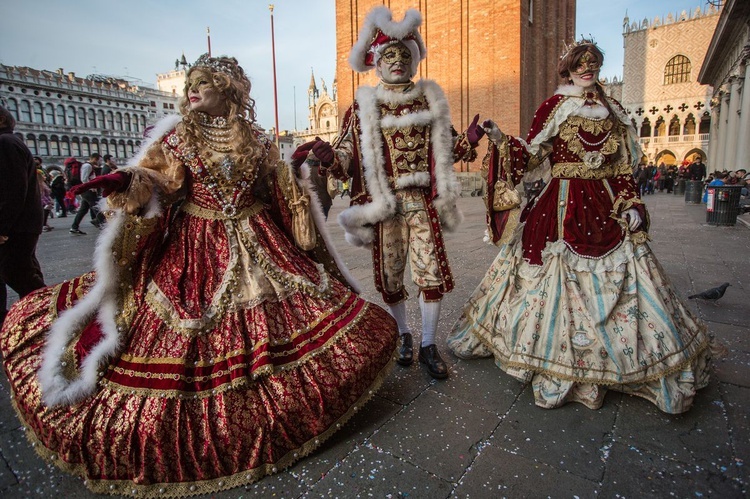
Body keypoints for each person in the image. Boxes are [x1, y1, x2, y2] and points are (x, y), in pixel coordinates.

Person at [0, 54, 397, 495]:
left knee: (303, 312)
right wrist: (125, 181)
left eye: (204, 82)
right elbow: (157, 181)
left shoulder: (256, 139)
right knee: (188, 326)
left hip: (258, 238)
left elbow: (273, 188)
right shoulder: (179, 138)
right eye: (191, 82)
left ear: (227, 90)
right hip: (196, 248)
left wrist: (295, 170)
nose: (193, 89)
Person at [447, 40, 713, 414]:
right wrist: (500, 139)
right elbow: (532, 154)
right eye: (579, 64)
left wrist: (633, 202)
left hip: (606, 207)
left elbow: (622, 168)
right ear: (568, 70)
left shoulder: (614, 111)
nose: (586, 69)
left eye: (592, 64)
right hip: (559, 208)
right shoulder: (553, 108)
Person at [295, 7, 483, 379]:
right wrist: (332, 156)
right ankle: (404, 335)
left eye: (403, 55)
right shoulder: (361, 108)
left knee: (430, 273)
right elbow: (347, 153)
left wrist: (469, 141)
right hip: (384, 205)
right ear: (377, 64)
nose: (397, 61)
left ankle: (429, 343)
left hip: (422, 202)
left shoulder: (430, 101)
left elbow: (448, 147)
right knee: (390, 275)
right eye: (389, 56)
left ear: (413, 61)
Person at [0, 105, 45, 326]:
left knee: (19, 274)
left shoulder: (5, 144)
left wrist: (3, 227)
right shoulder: (11, 142)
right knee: (21, 271)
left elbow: (13, 190)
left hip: (17, 226)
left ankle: (48, 315)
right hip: (22, 223)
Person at [69, 152, 105, 234]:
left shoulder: (90, 166)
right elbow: (84, 178)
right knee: (97, 207)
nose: (100, 162)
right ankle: (104, 224)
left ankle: (74, 227)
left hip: (87, 190)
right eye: (99, 160)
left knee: (83, 209)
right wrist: (91, 187)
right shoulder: (87, 166)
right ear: (95, 159)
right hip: (88, 191)